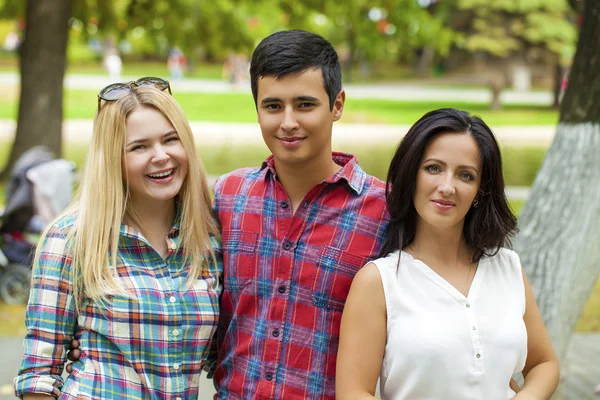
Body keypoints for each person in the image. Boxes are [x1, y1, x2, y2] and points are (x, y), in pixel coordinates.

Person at [14, 77, 222, 399]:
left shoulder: (207, 242)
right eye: (139, 146)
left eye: (171, 139)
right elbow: (39, 377)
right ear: (113, 158)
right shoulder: (71, 238)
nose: (161, 155)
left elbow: (224, 357)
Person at [208, 30, 389, 399]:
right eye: (273, 106)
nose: (288, 122)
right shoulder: (227, 197)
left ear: (337, 105)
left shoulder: (387, 209)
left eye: (305, 105)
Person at [336, 108, 559, 399]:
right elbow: (353, 393)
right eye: (433, 168)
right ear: (411, 174)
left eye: (466, 175)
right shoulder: (379, 282)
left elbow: (544, 363)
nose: (447, 187)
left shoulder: (507, 266)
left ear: (480, 190)